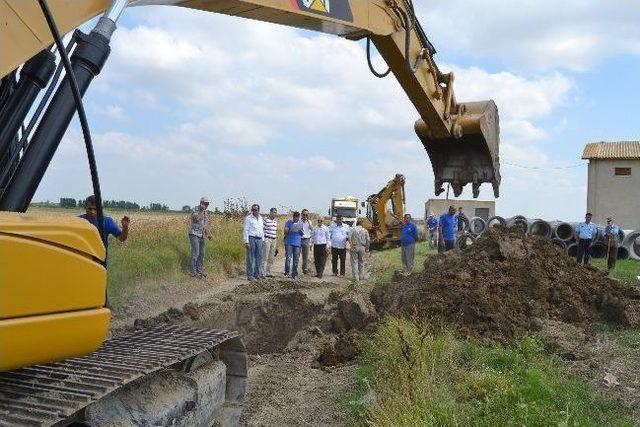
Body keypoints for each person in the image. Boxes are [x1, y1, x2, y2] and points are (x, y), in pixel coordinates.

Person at [187, 197, 210, 277]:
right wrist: (201, 210)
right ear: (201, 203)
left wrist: (208, 234)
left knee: (202, 254)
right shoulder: (195, 210)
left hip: (202, 235)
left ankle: (199, 271)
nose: (206, 205)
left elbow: (205, 224)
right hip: (194, 234)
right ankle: (193, 272)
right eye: (205, 203)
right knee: (195, 253)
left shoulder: (206, 212)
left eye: (207, 204)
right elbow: (197, 219)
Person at [243, 204, 264, 281]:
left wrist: (263, 240)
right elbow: (245, 230)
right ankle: (250, 275)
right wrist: (246, 242)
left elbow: (262, 230)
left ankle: (257, 274)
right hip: (251, 238)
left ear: (258, 210)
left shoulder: (261, 218)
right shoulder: (248, 218)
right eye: (253, 209)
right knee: (250, 257)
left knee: (259, 257)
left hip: (259, 239)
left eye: (255, 210)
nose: (254, 211)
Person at [284, 211, 303, 278]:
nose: (296, 218)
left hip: (297, 243)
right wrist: (290, 230)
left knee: (296, 259)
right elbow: (285, 232)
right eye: (295, 217)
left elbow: (302, 234)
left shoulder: (300, 223)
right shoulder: (288, 222)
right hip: (289, 242)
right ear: (293, 217)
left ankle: (294, 273)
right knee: (288, 258)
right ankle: (287, 272)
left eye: (297, 217)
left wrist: (301, 232)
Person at [261, 207, 278, 278]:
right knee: (265, 256)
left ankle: (269, 272)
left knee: (271, 257)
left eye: (275, 212)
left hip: (274, 239)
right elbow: (262, 229)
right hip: (267, 239)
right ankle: (262, 273)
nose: (274, 214)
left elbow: (275, 231)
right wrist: (263, 239)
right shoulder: (265, 219)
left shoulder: (275, 221)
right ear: (270, 212)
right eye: (273, 212)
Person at [300, 209, 314, 275]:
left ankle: (304, 269)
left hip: (306, 239)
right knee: (297, 255)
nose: (305, 216)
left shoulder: (309, 222)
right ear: (301, 214)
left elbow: (312, 229)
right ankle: (295, 269)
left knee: (305, 256)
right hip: (299, 239)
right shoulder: (299, 221)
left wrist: (308, 221)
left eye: (306, 215)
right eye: (304, 214)